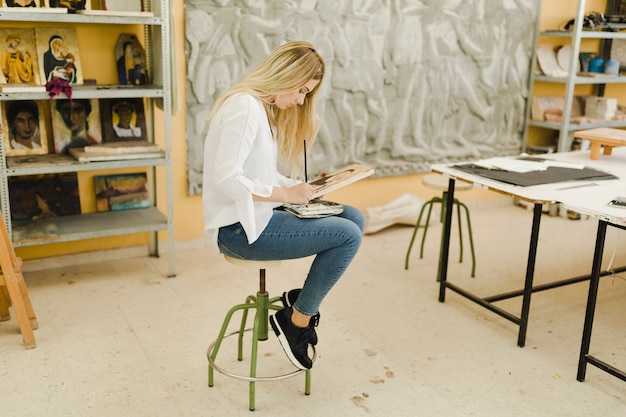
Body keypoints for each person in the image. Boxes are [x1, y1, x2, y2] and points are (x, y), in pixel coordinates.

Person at [202, 41, 365, 370]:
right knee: (348, 235)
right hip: (238, 229)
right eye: (302, 91)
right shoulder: (244, 107)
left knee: (354, 217)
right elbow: (226, 179)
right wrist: (285, 196)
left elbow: (259, 174)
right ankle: (296, 321)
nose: (301, 101)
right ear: (285, 75)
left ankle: (298, 301)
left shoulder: (262, 109)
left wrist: (301, 187)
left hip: (259, 216)